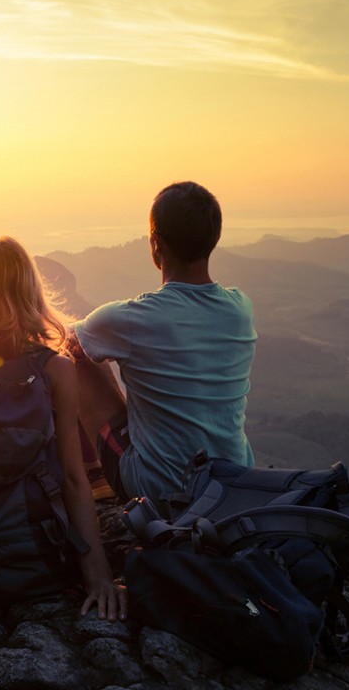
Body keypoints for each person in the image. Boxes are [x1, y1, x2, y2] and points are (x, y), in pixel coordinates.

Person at [0, 236, 127, 620]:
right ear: (29, 293)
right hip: (42, 557)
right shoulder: (57, 368)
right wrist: (98, 576)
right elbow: (72, 477)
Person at [69, 181, 256, 505]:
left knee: (76, 357)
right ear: (213, 239)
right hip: (234, 483)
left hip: (159, 489)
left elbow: (60, 338)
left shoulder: (130, 319)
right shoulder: (240, 307)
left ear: (156, 243)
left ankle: (94, 478)